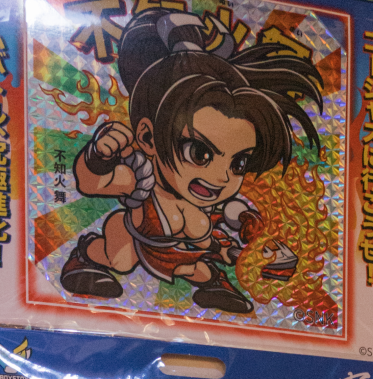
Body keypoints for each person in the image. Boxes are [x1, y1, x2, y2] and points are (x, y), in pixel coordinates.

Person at [59, 7, 324, 316]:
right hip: (138, 242)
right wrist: (99, 156)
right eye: (200, 154)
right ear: (147, 137)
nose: (222, 177)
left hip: (183, 255)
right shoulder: (142, 177)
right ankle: (85, 256)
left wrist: (248, 224)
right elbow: (91, 182)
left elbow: (232, 211)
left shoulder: (209, 199)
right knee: (119, 258)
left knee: (200, 269)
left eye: (238, 164)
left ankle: (214, 284)